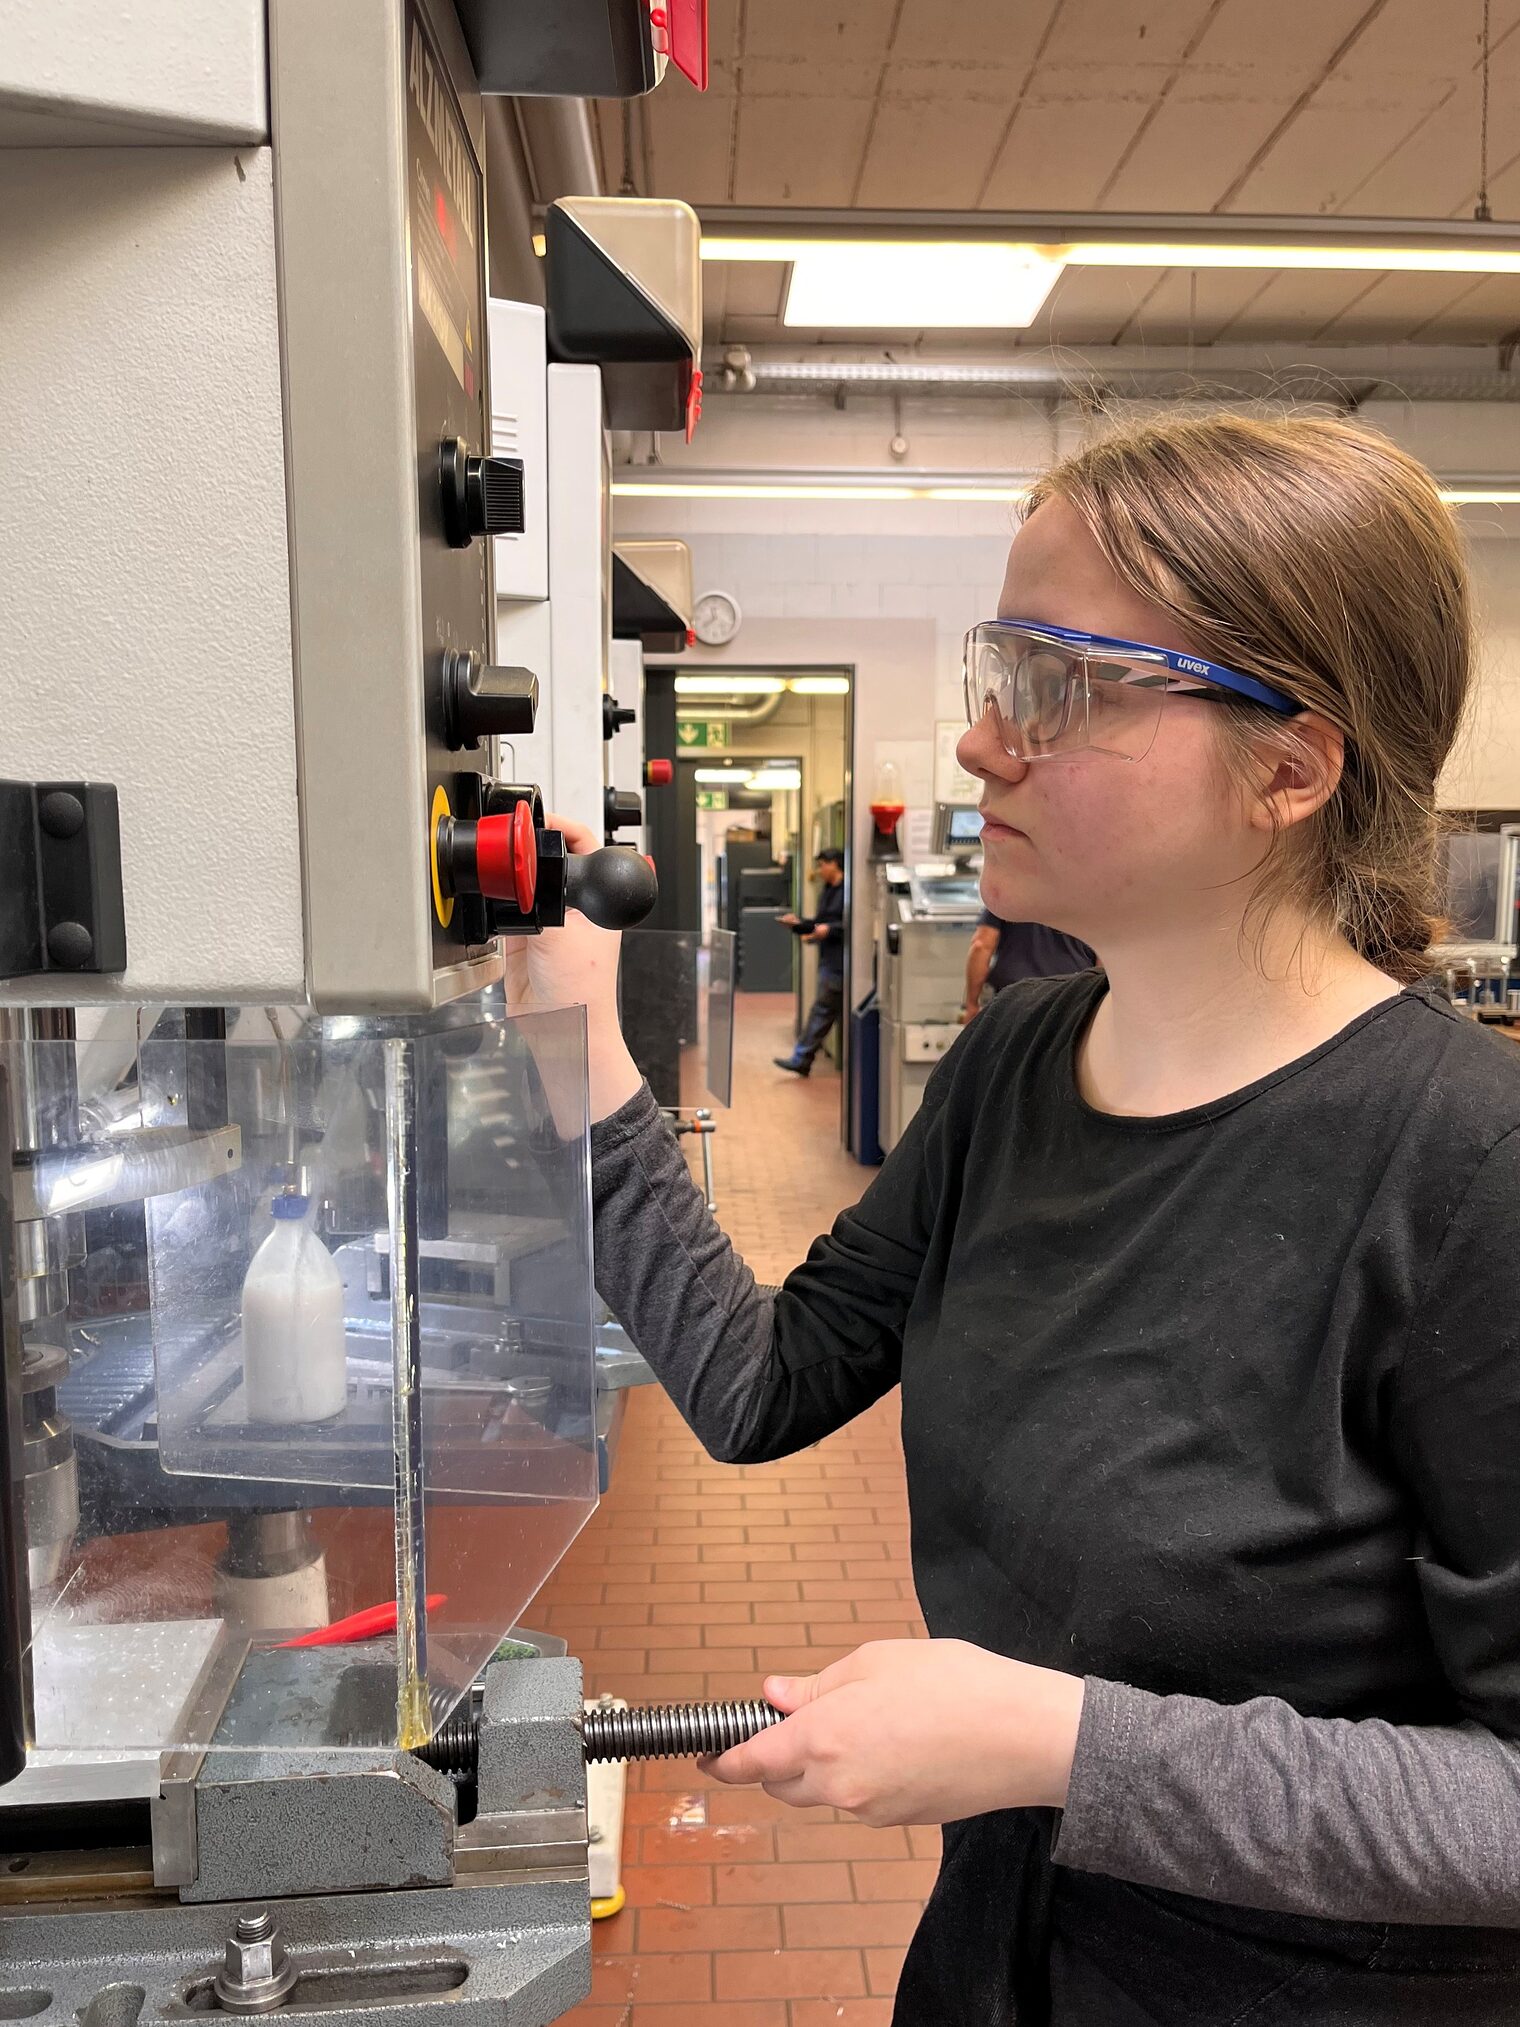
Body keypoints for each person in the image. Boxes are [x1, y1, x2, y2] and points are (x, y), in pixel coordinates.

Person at [506, 413, 1520, 2025]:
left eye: (1061, 684)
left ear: (1288, 766)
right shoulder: (1015, 1063)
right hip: (1000, 1958)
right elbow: (768, 1382)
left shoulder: (1464, 1170)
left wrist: (1055, 1740)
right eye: (1000, 673)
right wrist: (585, 1061)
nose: (983, 746)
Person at [773, 845, 846, 1076]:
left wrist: (829, 930)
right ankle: (802, 1058)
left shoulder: (849, 892)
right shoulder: (829, 889)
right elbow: (819, 923)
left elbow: (849, 926)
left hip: (841, 964)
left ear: (834, 864)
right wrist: (798, 925)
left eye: (822, 864)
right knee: (824, 1012)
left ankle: (802, 1058)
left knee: (822, 1011)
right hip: (829, 960)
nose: (819, 869)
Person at [962, 910, 1094, 1023]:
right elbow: (1105, 955)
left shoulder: (1009, 891)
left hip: (1016, 1000)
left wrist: (972, 1005)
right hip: (1076, 998)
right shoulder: (1087, 894)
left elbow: (981, 945)